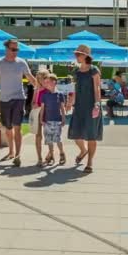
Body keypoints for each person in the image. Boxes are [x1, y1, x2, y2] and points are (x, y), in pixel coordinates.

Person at [0, 39, 37, 167]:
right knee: (8, 127)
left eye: (17, 49)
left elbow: (31, 78)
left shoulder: (22, 63)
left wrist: (42, 90)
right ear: (6, 49)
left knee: (17, 127)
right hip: (4, 99)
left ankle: (17, 155)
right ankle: (11, 151)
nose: (15, 52)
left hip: (19, 98)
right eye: (13, 49)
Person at [68, 45, 103, 174]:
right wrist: (70, 101)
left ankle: (89, 163)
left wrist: (97, 105)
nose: (76, 56)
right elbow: (75, 89)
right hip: (79, 107)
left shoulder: (94, 70)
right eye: (76, 54)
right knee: (76, 135)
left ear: (86, 56)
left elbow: (97, 88)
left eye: (78, 54)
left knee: (91, 136)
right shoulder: (76, 72)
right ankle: (83, 151)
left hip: (91, 106)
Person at [39, 74, 67, 166]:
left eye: (48, 82)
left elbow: (62, 108)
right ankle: (51, 155)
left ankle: (62, 153)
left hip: (57, 120)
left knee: (58, 139)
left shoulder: (60, 94)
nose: (46, 84)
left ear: (54, 82)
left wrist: (63, 118)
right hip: (47, 120)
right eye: (45, 82)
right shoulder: (44, 95)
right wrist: (41, 119)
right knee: (49, 140)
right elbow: (42, 108)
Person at [30, 69, 50, 167]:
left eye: (42, 78)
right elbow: (33, 102)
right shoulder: (36, 89)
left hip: (48, 114)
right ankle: (39, 158)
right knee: (38, 136)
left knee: (50, 135)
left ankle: (50, 154)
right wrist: (33, 105)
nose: (40, 81)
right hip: (38, 113)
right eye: (38, 79)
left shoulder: (50, 88)